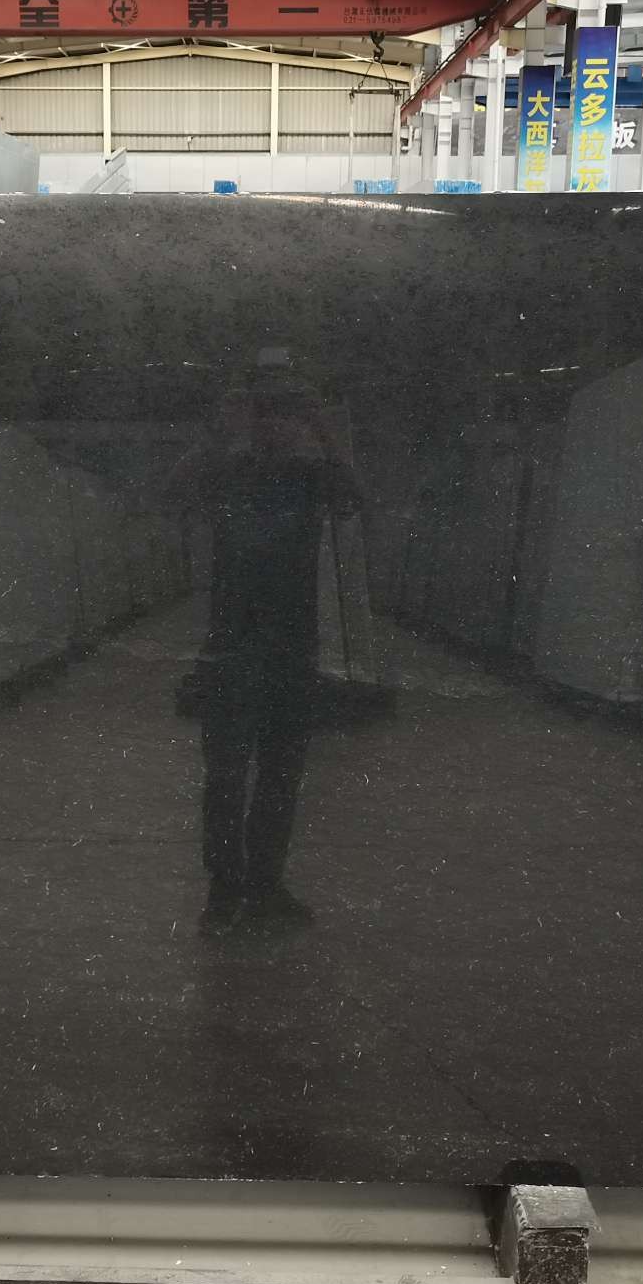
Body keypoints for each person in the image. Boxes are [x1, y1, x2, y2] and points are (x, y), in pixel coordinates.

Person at [167, 371, 362, 938]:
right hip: (236, 647)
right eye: (264, 413)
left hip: (285, 649)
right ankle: (227, 889)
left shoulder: (308, 476)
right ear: (249, 420)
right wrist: (217, 435)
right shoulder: (226, 470)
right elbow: (169, 496)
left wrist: (324, 430)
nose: (275, 425)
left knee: (278, 774)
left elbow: (353, 501)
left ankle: (262, 886)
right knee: (228, 776)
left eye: (286, 415)